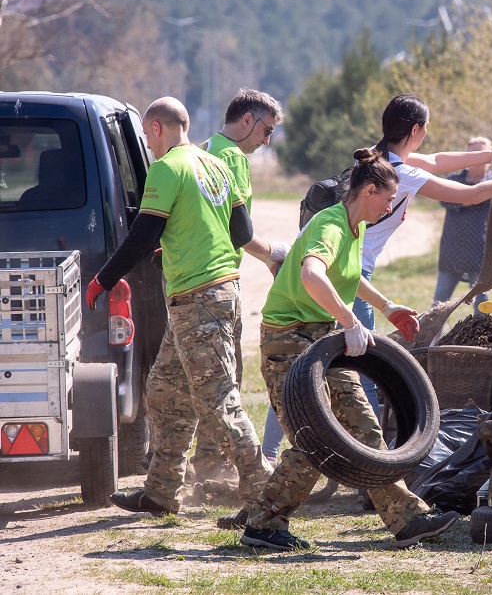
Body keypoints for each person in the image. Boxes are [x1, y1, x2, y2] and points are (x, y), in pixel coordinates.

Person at [231, 148, 456, 551]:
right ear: (369, 191)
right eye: (389, 199)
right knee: (314, 439)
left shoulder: (356, 227)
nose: (392, 207)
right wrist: (351, 322)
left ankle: (408, 520)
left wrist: (387, 307)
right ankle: (263, 523)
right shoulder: (331, 225)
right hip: (290, 340)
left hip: (324, 338)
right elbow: (313, 274)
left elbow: (346, 277)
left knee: (364, 428)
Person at [87, 97, 272, 516]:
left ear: (155, 128)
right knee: (164, 391)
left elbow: (142, 234)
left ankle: (265, 497)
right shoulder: (218, 165)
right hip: (214, 294)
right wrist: (177, 245)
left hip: (199, 299)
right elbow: (240, 230)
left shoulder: (167, 168)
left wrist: (103, 280)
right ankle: (161, 492)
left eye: (149, 139)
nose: (149, 149)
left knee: (218, 402)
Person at [351, 95, 492, 338]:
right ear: (416, 129)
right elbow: (472, 194)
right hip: (354, 269)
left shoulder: (375, 156)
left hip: (342, 261)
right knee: (366, 356)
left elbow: (436, 161)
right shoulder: (401, 173)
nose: (426, 133)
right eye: (425, 127)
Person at [191, 88, 289, 482]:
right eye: (266, 131)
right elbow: (239, 231)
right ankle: (214, 468)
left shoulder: (203, 148)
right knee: (225, 378)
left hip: (189, 279)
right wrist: (273, 255)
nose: (267, 141)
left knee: (194, 378)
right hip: (217, 283)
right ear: (246, 120)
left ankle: (190, 466)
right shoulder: (232, 157)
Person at [432, 136, 492, 312]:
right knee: (438, 305)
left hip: (481, 253)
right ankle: (429, 340)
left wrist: (474, 194)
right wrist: (477, 194)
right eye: (472, 154)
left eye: (481, 154)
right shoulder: (453, 180)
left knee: (482, 306)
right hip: (452, 252)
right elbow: (447, 200)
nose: (476, 158)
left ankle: (481, 340)